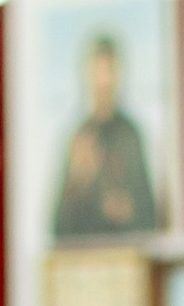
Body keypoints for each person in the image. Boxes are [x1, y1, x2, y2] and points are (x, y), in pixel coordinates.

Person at [51, 34, 163, 241]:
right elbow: (57, 227)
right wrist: (79, 180)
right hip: (82, 260)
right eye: (97, 72)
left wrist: (126, 210)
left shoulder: (130, 135)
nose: (103, 81)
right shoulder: (79, 137)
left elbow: (150, 216)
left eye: (108, 71)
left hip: (125, 254)